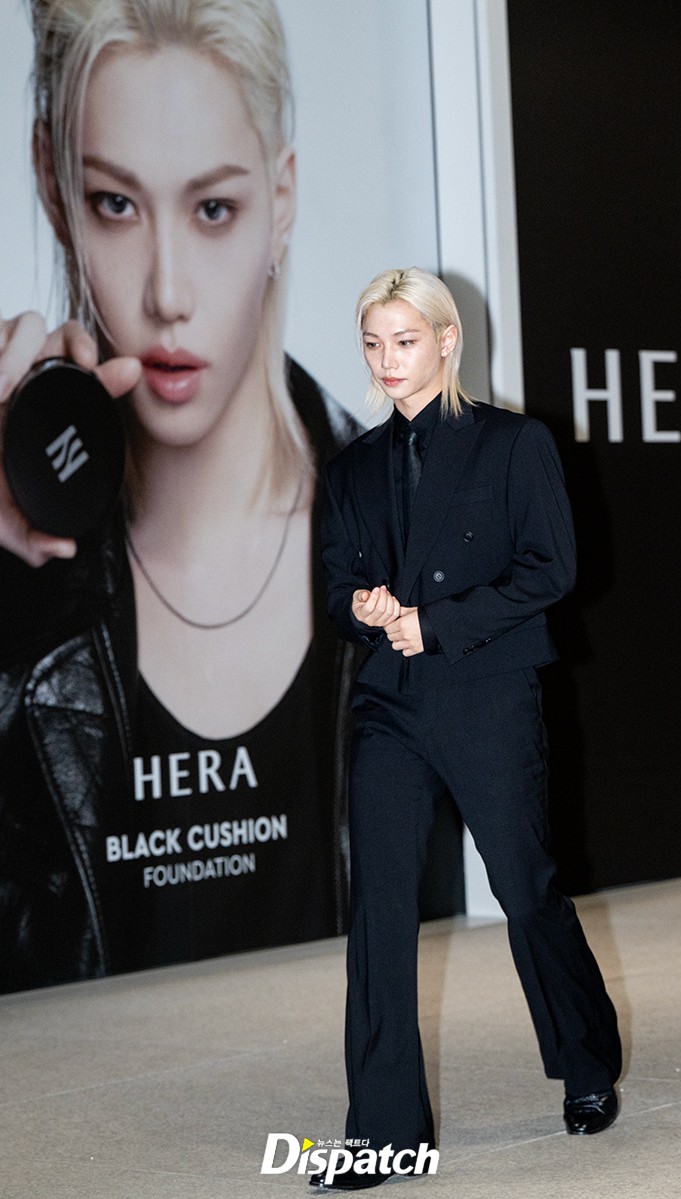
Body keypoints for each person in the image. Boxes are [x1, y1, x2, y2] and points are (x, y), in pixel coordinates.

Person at [0, 0, 362, 992]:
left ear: (280, 200)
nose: (167, 292)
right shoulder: (15, 587)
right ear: (52, 186)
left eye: (213, 210)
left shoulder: (412, 540)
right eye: (116, 204)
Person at [315, 267, 622, 1189]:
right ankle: (385, 1133)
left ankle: (587, 1059)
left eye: (405, 341)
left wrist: (437, 623)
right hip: (390, 704)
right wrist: (363, 607)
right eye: (374, 343)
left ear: (447, 341)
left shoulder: (513, 443)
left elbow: (552, 567)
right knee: (378, 911)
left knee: (526, 889)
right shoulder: (351, 466)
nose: (387, 360)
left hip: (487, 693)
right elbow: (333, 587)